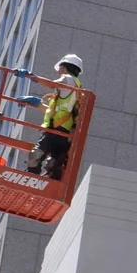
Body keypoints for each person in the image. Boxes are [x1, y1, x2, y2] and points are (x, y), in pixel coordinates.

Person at [27, 52, 83, 180]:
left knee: (34, 156)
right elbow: (58, 111)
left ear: (64, 68)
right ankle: (49, 186)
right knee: (53, 164)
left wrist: (32, 77)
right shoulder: (73, 87)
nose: (59, 72)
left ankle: (30, 180)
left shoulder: (68, 79)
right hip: (63, 130)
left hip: (56, 130)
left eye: (60, 68)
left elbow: (51, 84)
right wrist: (39, 105)